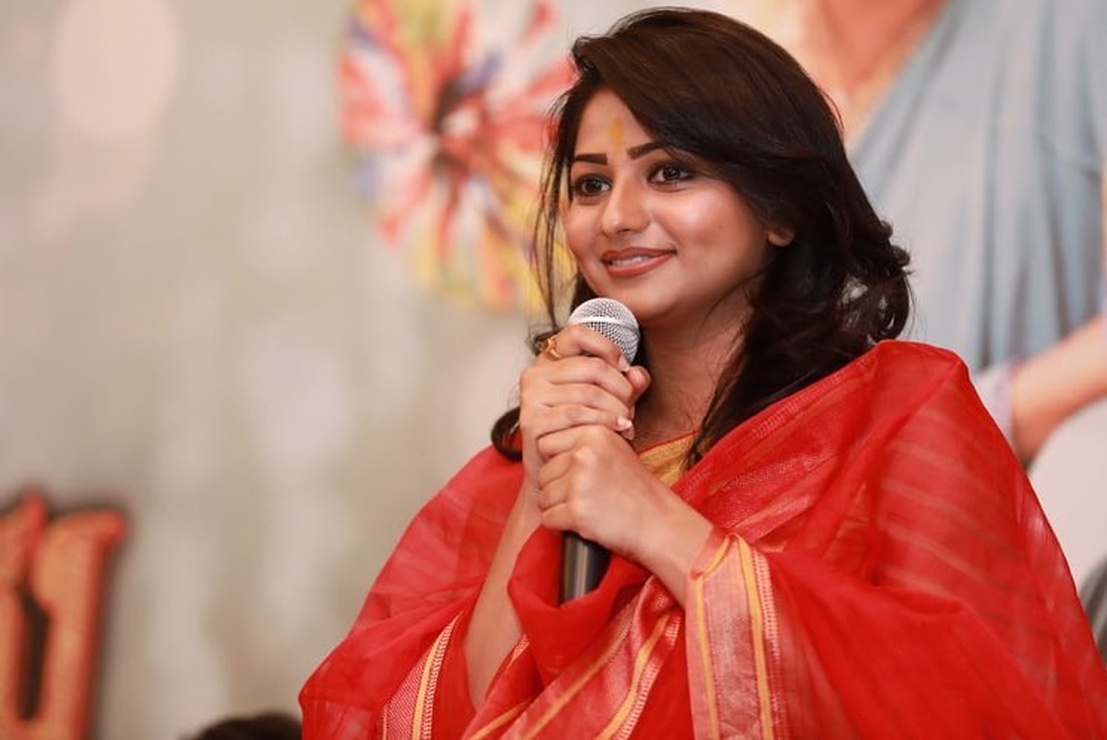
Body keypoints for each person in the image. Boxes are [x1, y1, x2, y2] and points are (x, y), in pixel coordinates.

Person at [300, 8, 1107, 737]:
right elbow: (461, 717)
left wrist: (660, 527)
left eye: (670, 173)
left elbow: (967, 704)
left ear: (779, 209)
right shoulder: (535, 455)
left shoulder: (899, 416)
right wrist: (541, 485)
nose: (617, 217)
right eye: (590, 184)